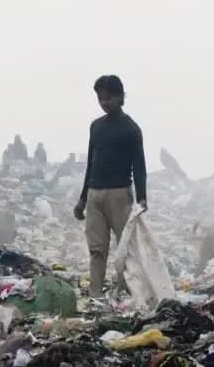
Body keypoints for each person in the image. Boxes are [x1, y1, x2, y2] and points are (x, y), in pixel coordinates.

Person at [74, 75, 147, 298]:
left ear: (121, 97)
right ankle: (95, 295)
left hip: (120, 195)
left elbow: (139, 166)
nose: (104, 103)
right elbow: (91, 163)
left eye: (108, 98)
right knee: (97, 249)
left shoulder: (131, 129)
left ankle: (127, 293)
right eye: (100, 98)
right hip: (94, 194)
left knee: (125, 249)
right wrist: (82, 199)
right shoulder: (96, 127)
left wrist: (142, 198)